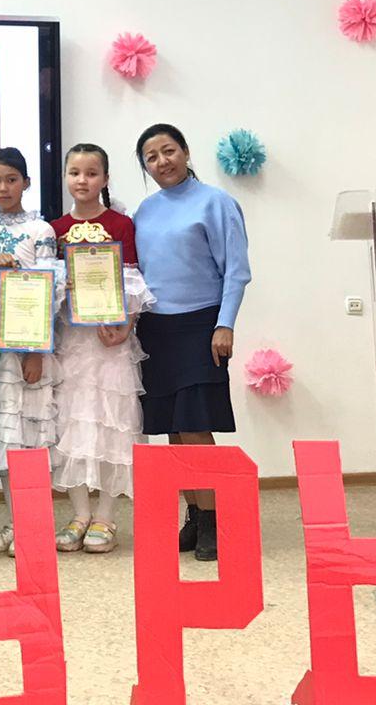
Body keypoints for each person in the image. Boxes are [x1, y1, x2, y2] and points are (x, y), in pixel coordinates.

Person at [132, 123, 252, 562]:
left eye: (168, 151)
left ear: (184, 151)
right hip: (155, 330)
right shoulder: (144, 211)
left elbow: (236, 270)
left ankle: (218, 519)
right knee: (173, 430)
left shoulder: (216, 202)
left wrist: (225, 324)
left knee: (196, 426)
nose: (162, 161)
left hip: (202, 325)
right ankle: (195, 515)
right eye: (151, 157)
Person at [48, 143, 151, 556]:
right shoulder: (54, 229)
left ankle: (106, 516)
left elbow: (134, 280)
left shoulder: (121, 224)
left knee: (113, 423)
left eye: (92, 173)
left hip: (111, 342)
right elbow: (44, 290)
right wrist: (61, 285)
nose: (82, 180)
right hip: (72, 341)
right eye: (75, 172)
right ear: (65, 177)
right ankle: (78, 514)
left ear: (105, 179)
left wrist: (126, 326)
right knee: (71, 421)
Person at [0, 147, 61, 557]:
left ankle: (35, 523)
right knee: (5, 436)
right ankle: (15, 522)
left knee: (30, 435)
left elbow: (49, 289)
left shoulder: (41, 230)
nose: (4, 187)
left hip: (26, 342)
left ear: (26, 182)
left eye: (12, 179)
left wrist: (36, 350)